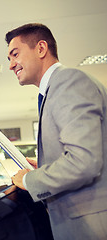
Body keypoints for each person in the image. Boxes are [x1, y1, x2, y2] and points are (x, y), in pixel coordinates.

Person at [6, 23, 107, 240]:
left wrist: (28, 181)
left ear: (41, 49)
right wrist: (43, 167)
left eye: (15, 55)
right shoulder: (54, 90)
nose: (11, 65)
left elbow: (84, 162)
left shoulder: (69, 82)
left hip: (92, 226)